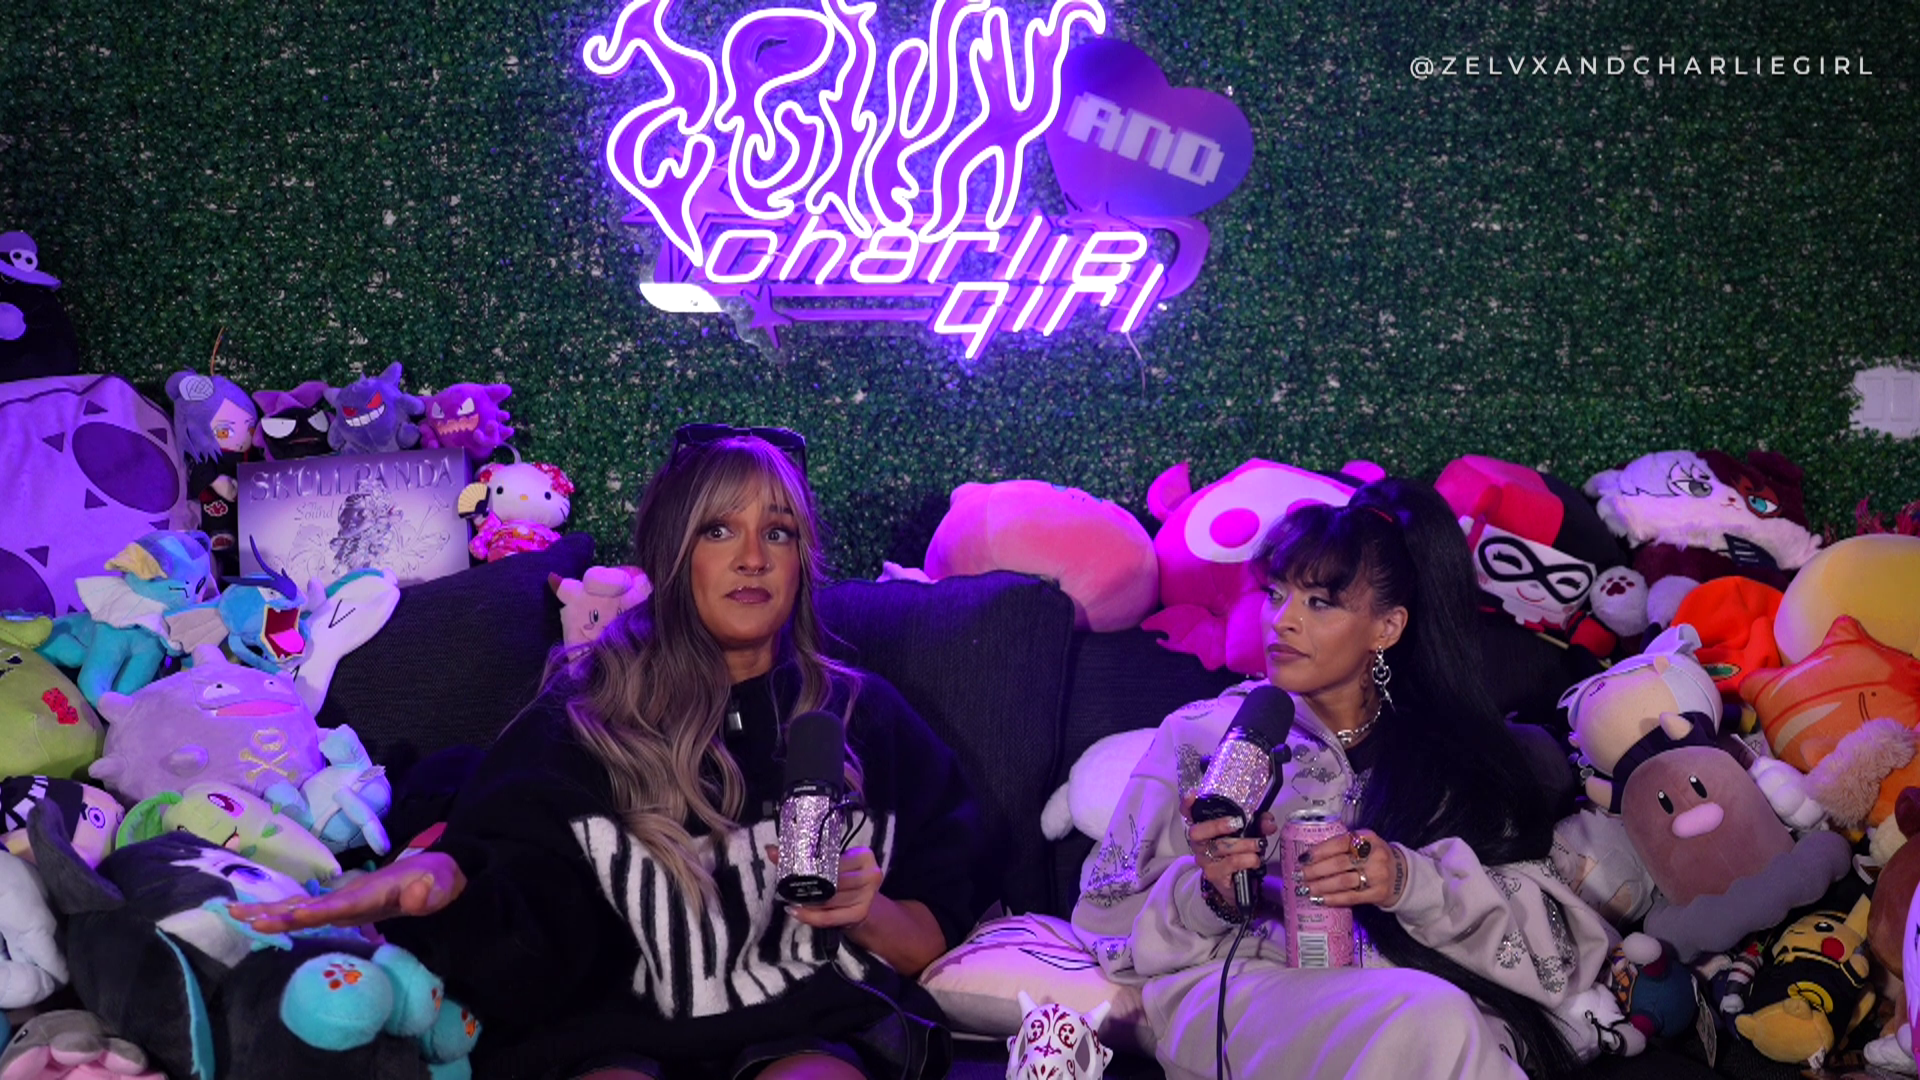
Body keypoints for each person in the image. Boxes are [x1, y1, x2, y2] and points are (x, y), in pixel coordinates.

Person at [234, 425, 987, 1080]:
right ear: (670, 554)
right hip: (612, 1034)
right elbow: (520, 942)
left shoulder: (862, 716)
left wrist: (863, 910)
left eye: (779, 532)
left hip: (813, 1023)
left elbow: (929, 935)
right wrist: (449, 887)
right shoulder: (577, 720)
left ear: (802, 559)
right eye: (718, 531)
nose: (753, 558)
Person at [1071, 477, 1617, 1080]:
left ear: (1387, 628)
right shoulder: (1201, 735)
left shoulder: (1446, 757)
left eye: (1319, 603)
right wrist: (1212, 894)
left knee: (1442, 1020)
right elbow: (1106, 921)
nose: (1282, 621)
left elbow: (1556, 948)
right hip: (1242, 999)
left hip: (1415, 1008)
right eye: (1276, 593)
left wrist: (1406, 880)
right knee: (1431, 1019)